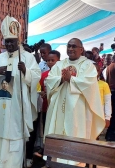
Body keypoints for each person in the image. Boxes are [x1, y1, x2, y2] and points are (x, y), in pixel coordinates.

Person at [0, 15, 41, 168]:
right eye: (7, 41)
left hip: (17, 106)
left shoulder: (28, 58)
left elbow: (36, 76)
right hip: (1, 103)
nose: (9, 44)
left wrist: (26, 71)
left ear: (18, 41)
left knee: (15, 135)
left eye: (12, 41)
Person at [44, 38, 105, 167]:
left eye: (74, 46)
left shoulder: (88, 65)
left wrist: (71, 79)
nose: (70, 49)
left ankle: (76, 162)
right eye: (69, 46)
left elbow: (90, 84)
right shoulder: (59, 65)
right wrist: (61, 79)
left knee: (77, 134)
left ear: (81, 49)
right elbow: (49, 80)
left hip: (79, 110)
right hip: (60, 108)